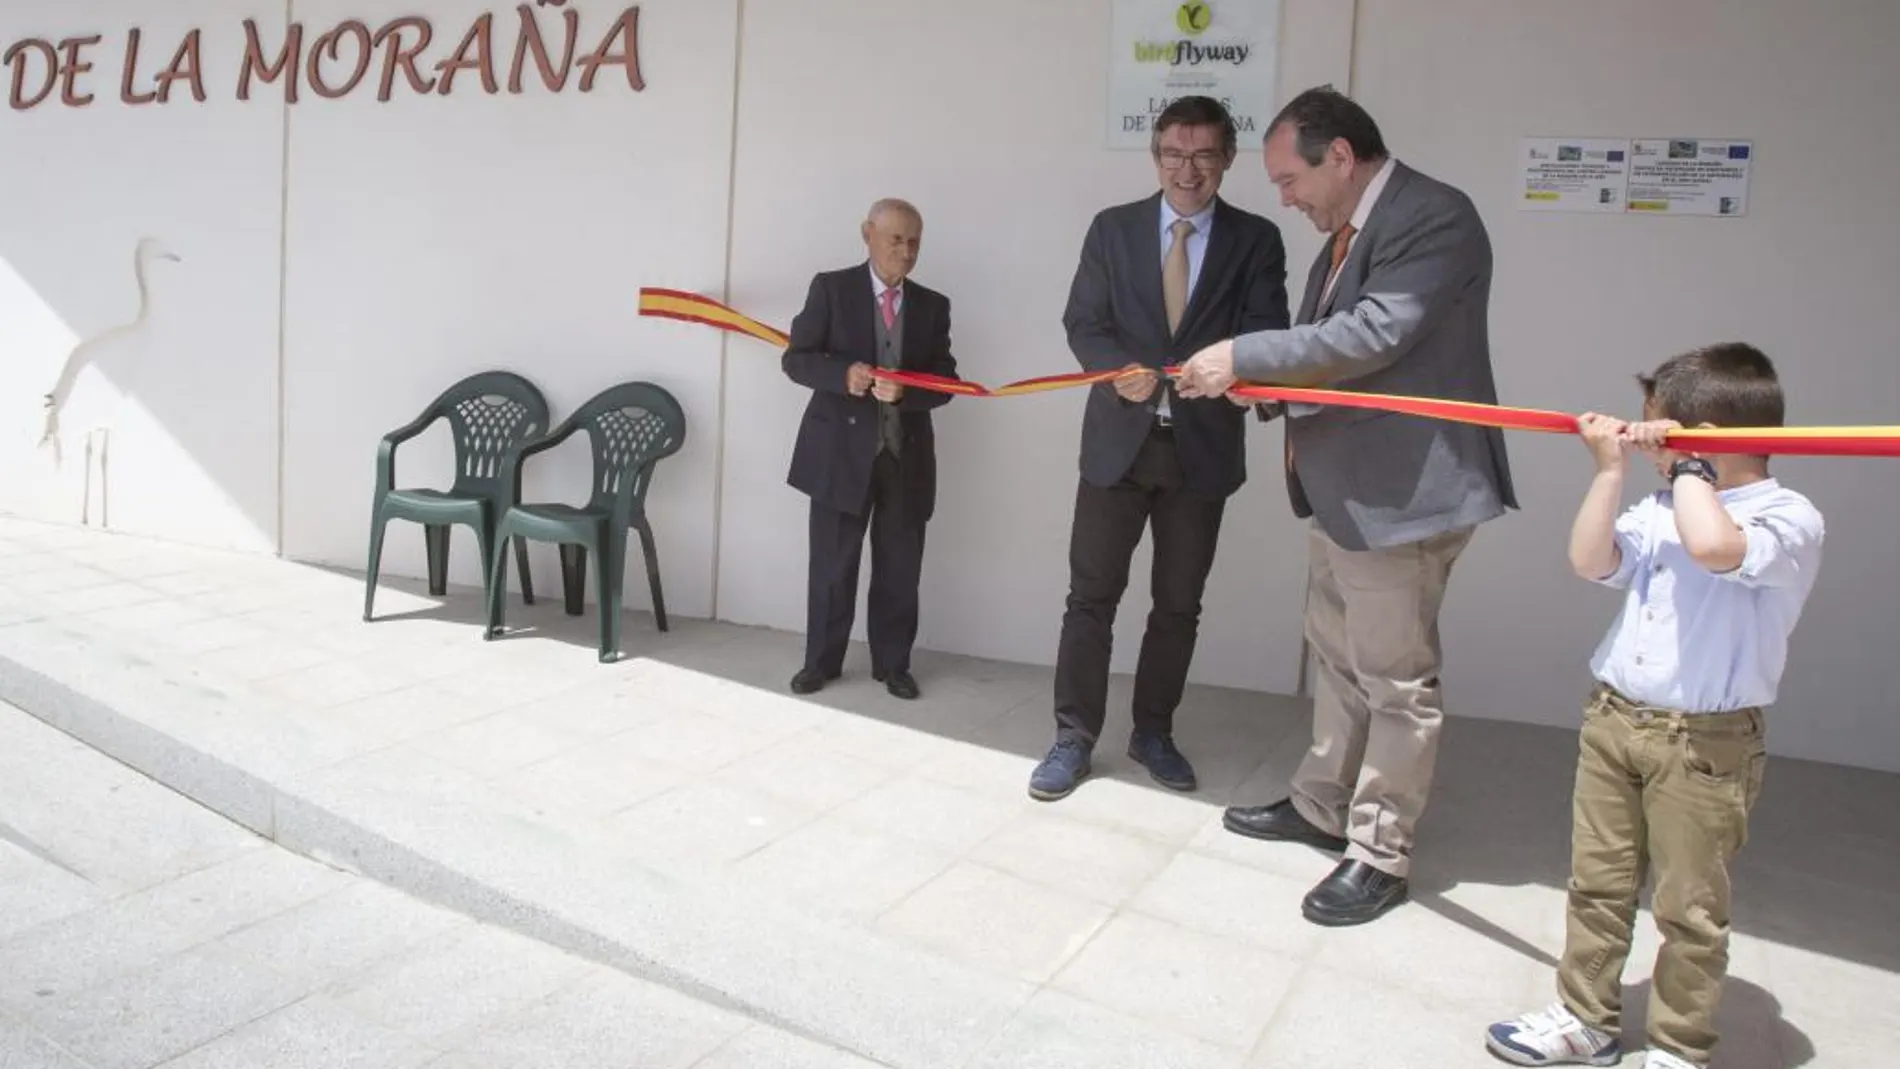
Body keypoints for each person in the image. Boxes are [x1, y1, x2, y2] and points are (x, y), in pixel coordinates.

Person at [1175, 85, 1516, 925]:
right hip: (1340, 491)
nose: (1284, 197)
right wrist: (1251, 384)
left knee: (1396, 680)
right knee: (1336, 656)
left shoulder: (1434, 216)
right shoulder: (1347, 231)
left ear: (1340, 156)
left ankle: (1380, 850)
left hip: (1404, 495)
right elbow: (1327, 356)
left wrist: (1240, 353)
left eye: (1291, 179)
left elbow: (1371, 335)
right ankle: (1323, 804)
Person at [1485, 343, 1824, 1069]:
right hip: (1615, 719)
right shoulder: (1661, 505)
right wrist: (1609, 470)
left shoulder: (1786, 516)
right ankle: (1586, 1016)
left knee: (1689, 907)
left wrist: (1691, 465)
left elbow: (1713, 548)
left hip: (1703, 744)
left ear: (1702, 435)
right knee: (1597, 883)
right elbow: (1589, 559)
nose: (1651, 448)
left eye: (1659, 431)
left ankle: (1678, 1045)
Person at [1029, 95, 1290, 802]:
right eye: (1174, 154)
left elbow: (1269, 329)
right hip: (1119, 445)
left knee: (1178, 605)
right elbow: (1083, 321)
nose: (1188, 169)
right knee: (1090, 598)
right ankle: (1072, 737)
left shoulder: (1256, 239)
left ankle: (1153, 732)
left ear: (1227, 160)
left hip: (1200, 452)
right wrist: (1119, 372)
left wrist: (1231, 364)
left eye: (1204, 155)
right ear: (1156, 156)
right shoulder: (1112, 230)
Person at [781, 198, 960, 700]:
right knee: (832, 566)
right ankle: (820, 663)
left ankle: (894, 665)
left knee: (900, 568)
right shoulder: (830, 289)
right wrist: (844, 376)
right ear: (868, 234)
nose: (905, 251)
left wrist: (908, 392)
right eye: (896, 239)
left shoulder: (933, 305)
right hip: (839, 456)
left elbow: (947, 383)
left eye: (914, 242)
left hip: (905, 458)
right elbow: (796, 360)